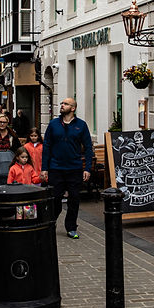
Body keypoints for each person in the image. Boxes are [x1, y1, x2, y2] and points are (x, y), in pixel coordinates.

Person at [42, 97, 94, 239]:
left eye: (65, 104)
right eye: (62, 103)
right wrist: (44, 168)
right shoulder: (53, 124)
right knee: (55, 198)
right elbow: (46, 146)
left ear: (73, 108)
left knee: (74, 199)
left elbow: (89, 148)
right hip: (56, 168)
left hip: (74, 168)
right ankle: (50, 223)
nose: (62, 105)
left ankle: (71, 227)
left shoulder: (81, 125)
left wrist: (87, 168)